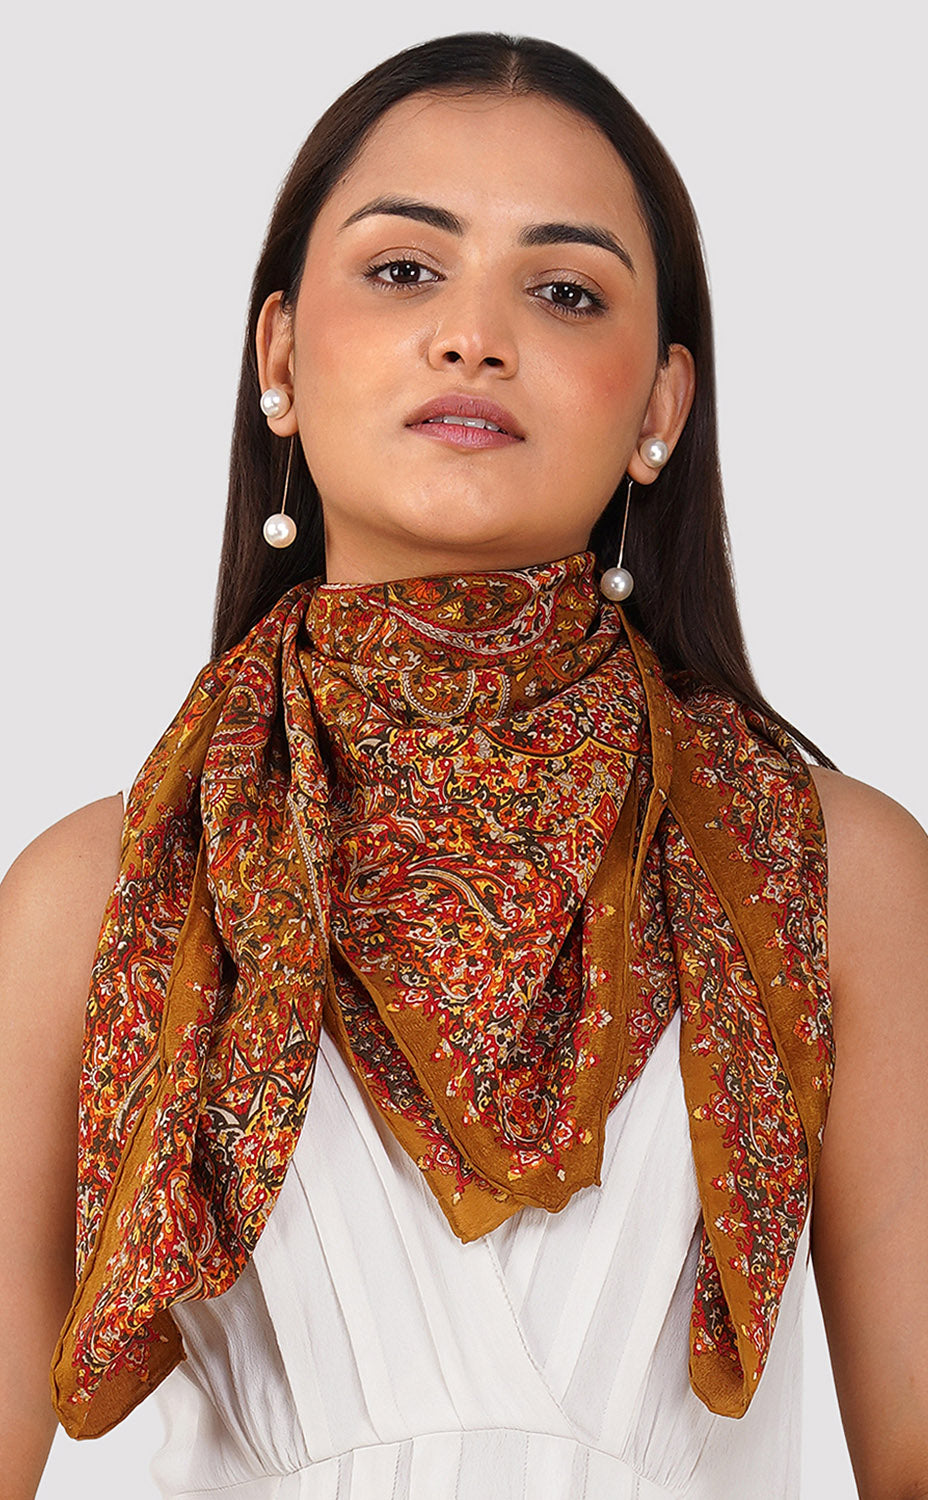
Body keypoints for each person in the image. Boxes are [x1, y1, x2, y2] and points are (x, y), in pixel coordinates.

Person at [1, 30, 924, 1500]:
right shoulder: (97, 892)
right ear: (279, 357)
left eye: (563, 292)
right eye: (403, 269)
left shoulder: (831, 874)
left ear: (660, 408)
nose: (473, 336)